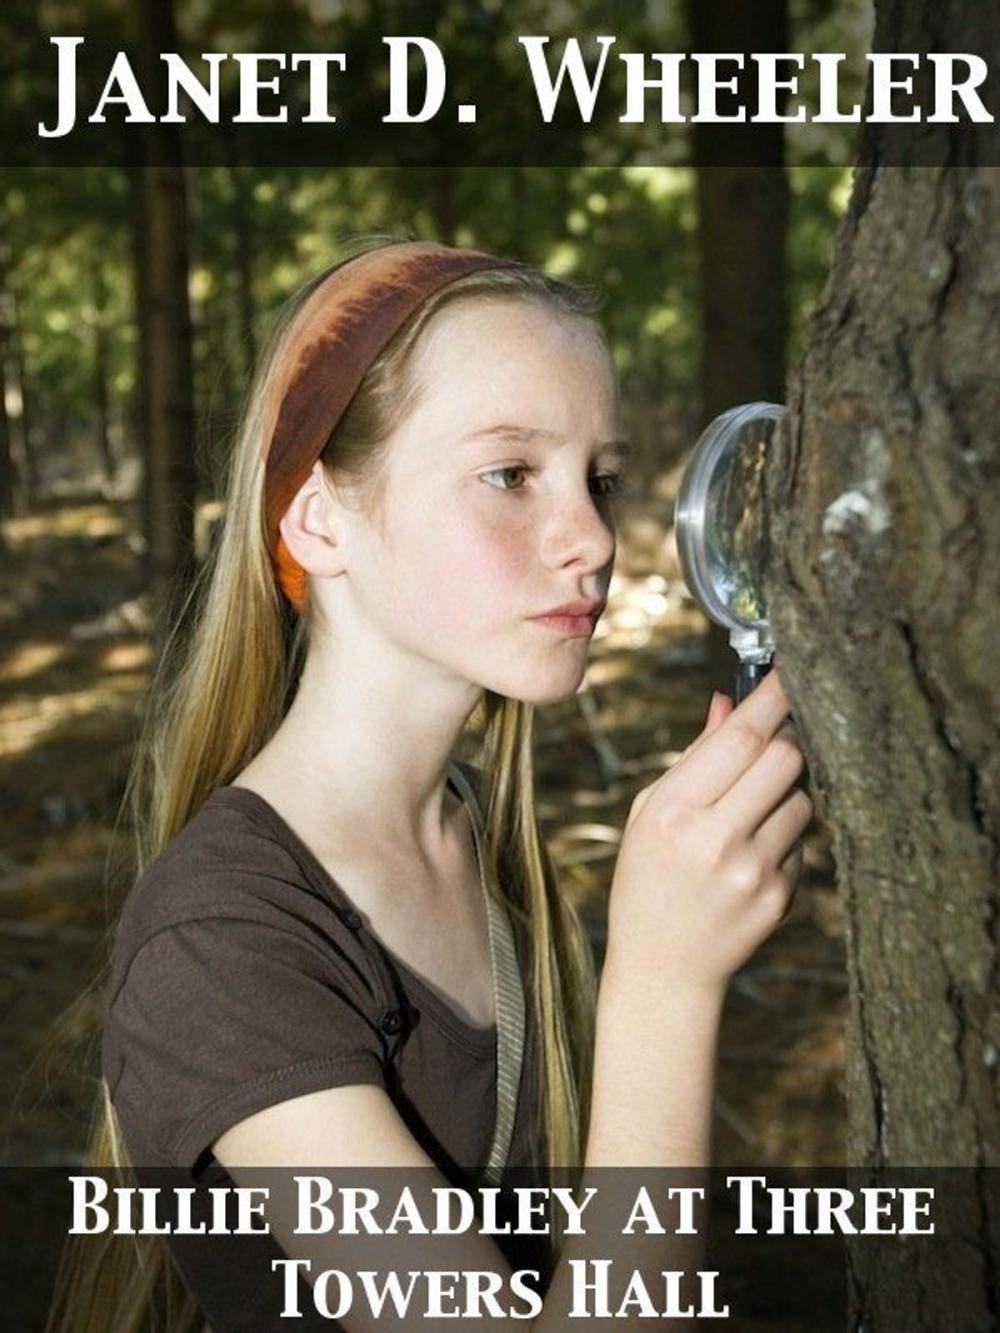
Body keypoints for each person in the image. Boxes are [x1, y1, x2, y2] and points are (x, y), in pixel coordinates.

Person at [48, 237, 810, 1332]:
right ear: (318, 520)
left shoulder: (475, 838)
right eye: (510, 475)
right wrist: (664, 983)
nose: (592, 539)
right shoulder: (222, 942)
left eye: (601, 478)